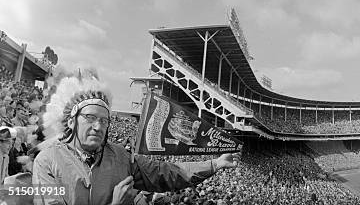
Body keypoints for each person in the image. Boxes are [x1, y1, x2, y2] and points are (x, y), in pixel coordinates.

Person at [32, 71, 240, 205]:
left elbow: (165, 174)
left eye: (104, 121)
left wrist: (214, 164)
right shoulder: (47, 161)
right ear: (71, 121)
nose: (98, 126)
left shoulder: (121, 156)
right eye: (90, 118)